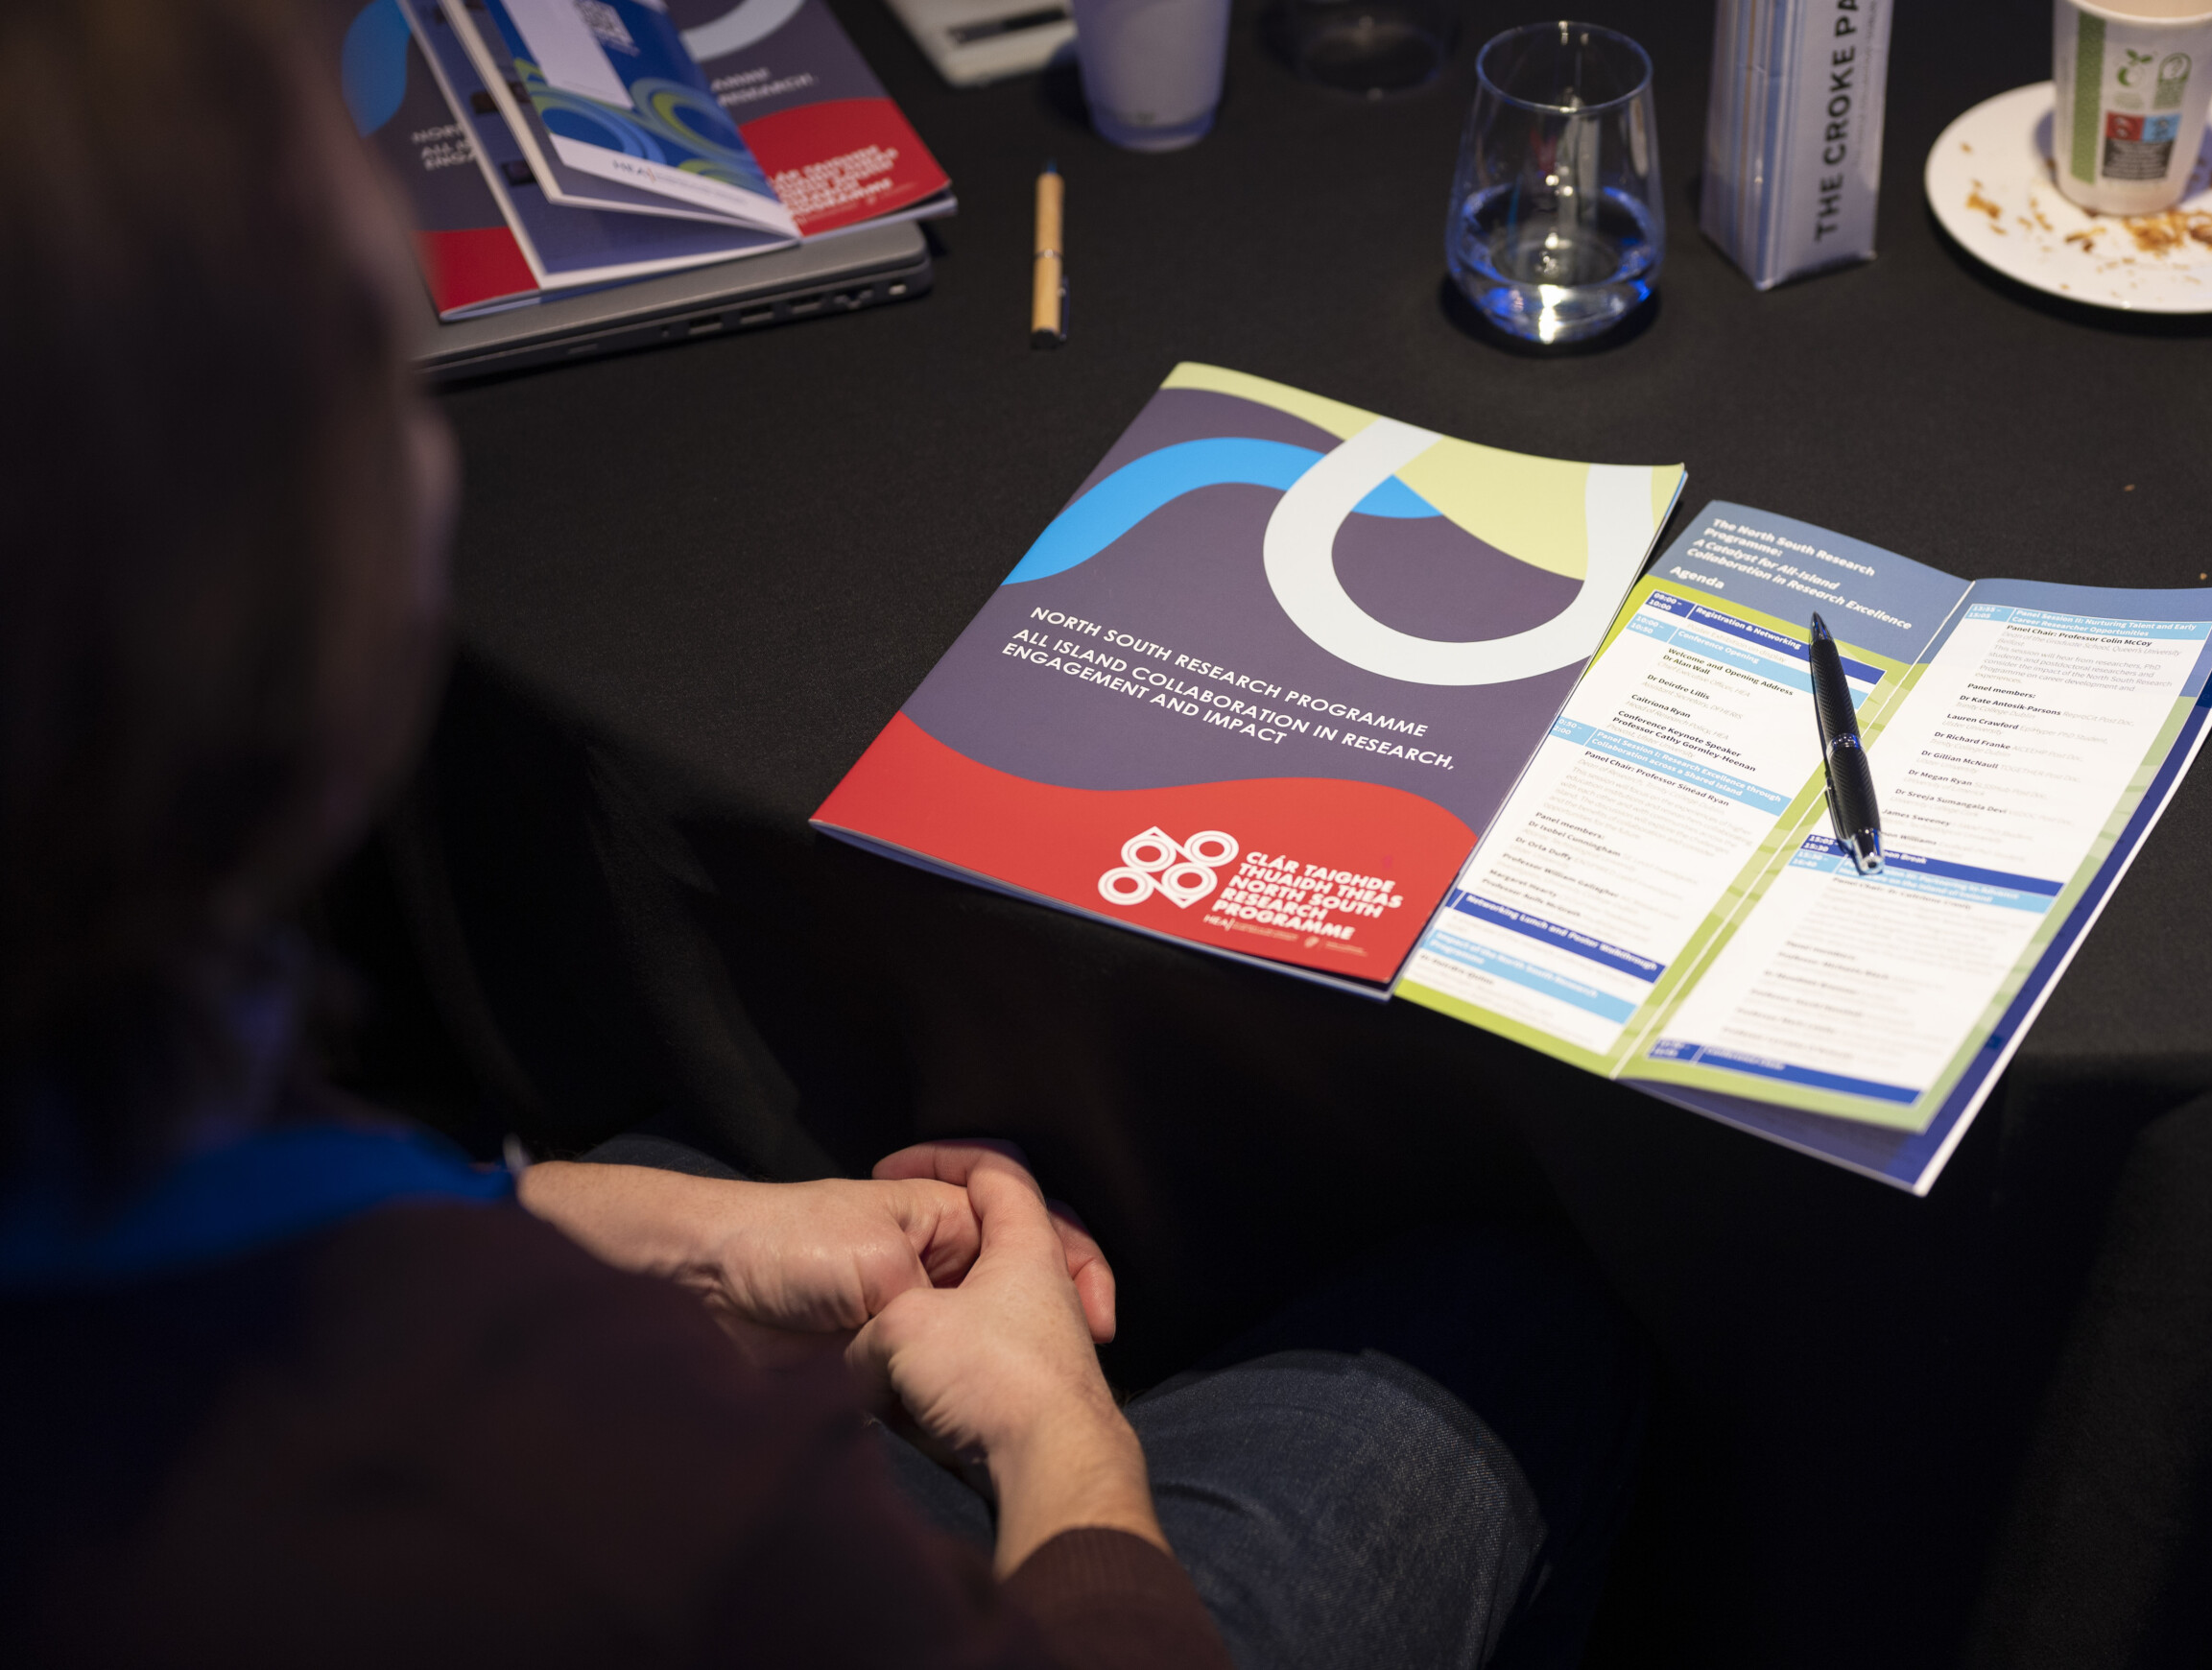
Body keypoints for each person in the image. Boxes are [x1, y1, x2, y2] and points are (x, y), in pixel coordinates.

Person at [0, 1, 1647, 1664]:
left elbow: (318, 1199)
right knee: (1510, 1333)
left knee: (660, 1161)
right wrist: (1054, 1444)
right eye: (385, 383)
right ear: (260, 610)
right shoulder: (600, 1506)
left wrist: (697, 1240)